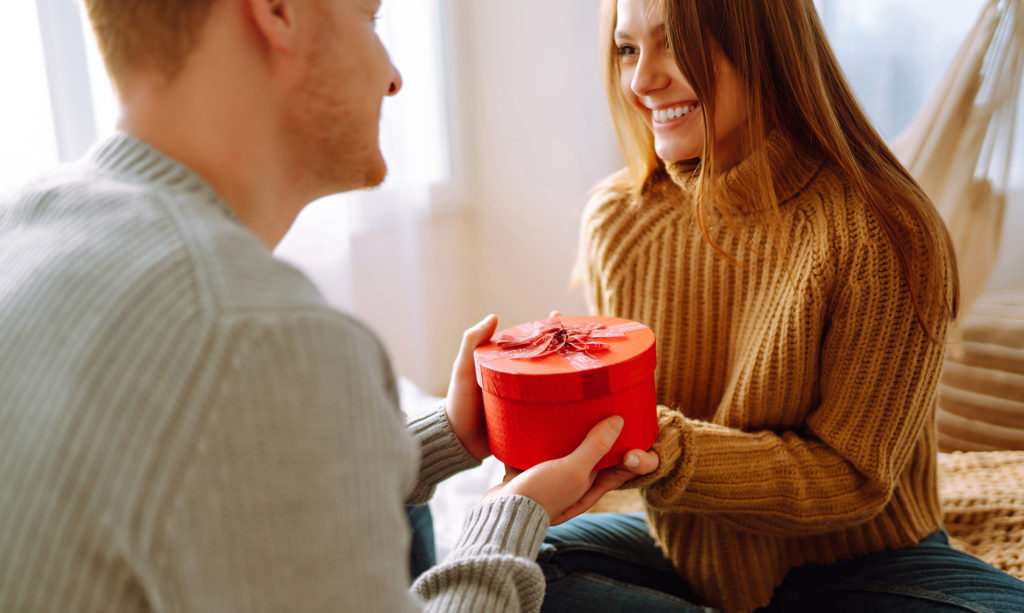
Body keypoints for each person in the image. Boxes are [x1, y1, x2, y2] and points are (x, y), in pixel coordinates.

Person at [0, 0, 660, 611]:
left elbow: (219, 479)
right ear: (279, 12)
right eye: (371, 19)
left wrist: (447, 439)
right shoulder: (261, 334)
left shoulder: (28, 224)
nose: (394, 76)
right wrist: (506, 519)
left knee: (403, 509)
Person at [542, 0, 1024, 612]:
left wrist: (666, 448)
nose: (643, 80)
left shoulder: (884, 229)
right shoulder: (619, 223)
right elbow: (628, 419)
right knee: (516, 563)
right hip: (688, 558)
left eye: (675, 43)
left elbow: (852, 478)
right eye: (628, 49)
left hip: (862, 564)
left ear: (762, 43)